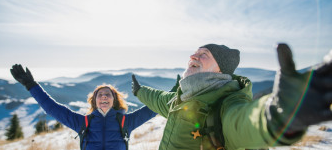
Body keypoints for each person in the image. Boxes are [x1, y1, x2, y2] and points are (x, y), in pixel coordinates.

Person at [131, 43, 332, 150]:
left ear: (220, 71)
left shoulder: (227, 103)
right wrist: (139, 91)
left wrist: (280, 114)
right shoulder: (180, 99)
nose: (193, 56)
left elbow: (243, 120)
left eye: (204, 54)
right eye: (194, 53)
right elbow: (157, 98)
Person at [10, 64, 157, 150]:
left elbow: (154, 107)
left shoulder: (126, 121)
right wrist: (31, 85)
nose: (104, 96)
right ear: (94, 102)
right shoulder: (83, 123)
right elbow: (51, 108)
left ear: (114, 100)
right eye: (100, 95)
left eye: (108, 94)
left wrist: (176, 93)